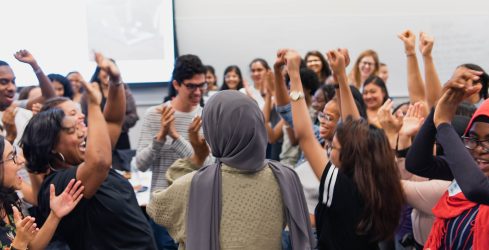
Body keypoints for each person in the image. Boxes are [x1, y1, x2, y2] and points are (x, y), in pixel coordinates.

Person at [147, 90, 315, 250]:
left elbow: (156, 208)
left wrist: (195, 160)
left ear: (214, 133)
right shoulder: (286, 176)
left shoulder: (195, 184)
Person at [21, 53, 156, 250]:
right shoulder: (57, 184)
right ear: (51, 143)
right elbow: (99, 163)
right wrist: (93, 103)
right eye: (72, 118)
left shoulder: (85, 158)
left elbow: (111, 121)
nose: (81, 120)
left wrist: (116, 81)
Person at [283, 48, 404, 249]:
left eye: (335, 149)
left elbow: (305, 136)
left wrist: (295, 76)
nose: (330, 153)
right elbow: (354, 125)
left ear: (348, 156)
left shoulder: (341, 187)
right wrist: (339, 77)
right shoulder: (379, 181)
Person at [405, 67, 489, 249]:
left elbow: (476, 188)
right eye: (473, 139)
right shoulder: (472, 171)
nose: (479, 149)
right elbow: (417, 163)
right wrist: (439, 108)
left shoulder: (475, 182)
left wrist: (444, 124)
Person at [135, 54, 206, 249]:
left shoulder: (206, 115)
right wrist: (160, 138)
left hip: (196, 206)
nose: (198, 92)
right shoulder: (155, 114)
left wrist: (175, 137)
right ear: (176, 84)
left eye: (202, 85)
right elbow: (140, 164)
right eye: (191, 86)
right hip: (163, 207)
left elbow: (206, 164)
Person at [0, 136, 84, 250]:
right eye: (11, 156)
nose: (21, 160)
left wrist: (55, 215)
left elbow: (32, 246)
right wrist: (18, 245)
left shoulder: (9, 198)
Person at [86, 61, 139, 172]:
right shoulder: (91, 91)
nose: (106, 73)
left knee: (123, 171)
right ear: (98, 72)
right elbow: (86, 115)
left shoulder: (124, 90)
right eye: (103, 69)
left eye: (109, 69)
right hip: (97, 138)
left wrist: (117, 124)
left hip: (121, 138)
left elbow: (133, 116)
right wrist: (100, 126)